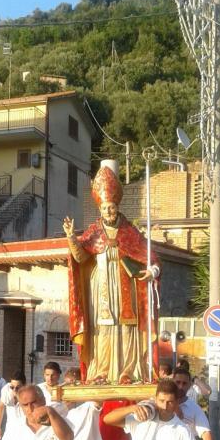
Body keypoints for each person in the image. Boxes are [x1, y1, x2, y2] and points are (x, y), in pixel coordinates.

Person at [64, 164, 160, 384]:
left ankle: (129, 370)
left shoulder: (130, 231)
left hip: (127, 286)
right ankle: (102, 371)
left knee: (127, 327)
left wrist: (151, 271)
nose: (109, 211)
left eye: (112, 207)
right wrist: (71, 238)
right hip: (102, 290)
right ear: (100, 208)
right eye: (105, 207)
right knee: (103, 329)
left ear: (117, 206)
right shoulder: (93, 232)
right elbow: (80, 258)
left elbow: (151, 258)